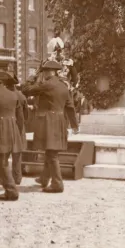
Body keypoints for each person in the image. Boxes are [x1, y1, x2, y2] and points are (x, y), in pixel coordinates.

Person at [22, 60, 79, 193]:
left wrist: (33, 77)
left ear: (49, 72)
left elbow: (26, 90)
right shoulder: (64, 86)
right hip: (59, 121)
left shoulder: (47, 84)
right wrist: (75, 125)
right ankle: (44, 178)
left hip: (49, 121)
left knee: (52, 154)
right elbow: (70, 107)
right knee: (50, 151)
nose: (44, 74)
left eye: (45, 71)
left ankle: (57, 184)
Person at [0, 71, 23, 201]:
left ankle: (11, 191)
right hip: (12, 132)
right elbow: (20, 119)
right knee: (3, 161)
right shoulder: (14, 95)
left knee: (2, 163)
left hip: (1, 131)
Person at [6, 75, 28, 185]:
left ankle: (4, 178)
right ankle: (17, 178)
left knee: (4, 154)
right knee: (17, 155)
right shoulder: (21, 96)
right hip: (19, 128)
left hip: (5, 127)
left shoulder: (5, 95)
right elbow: (26, 116)